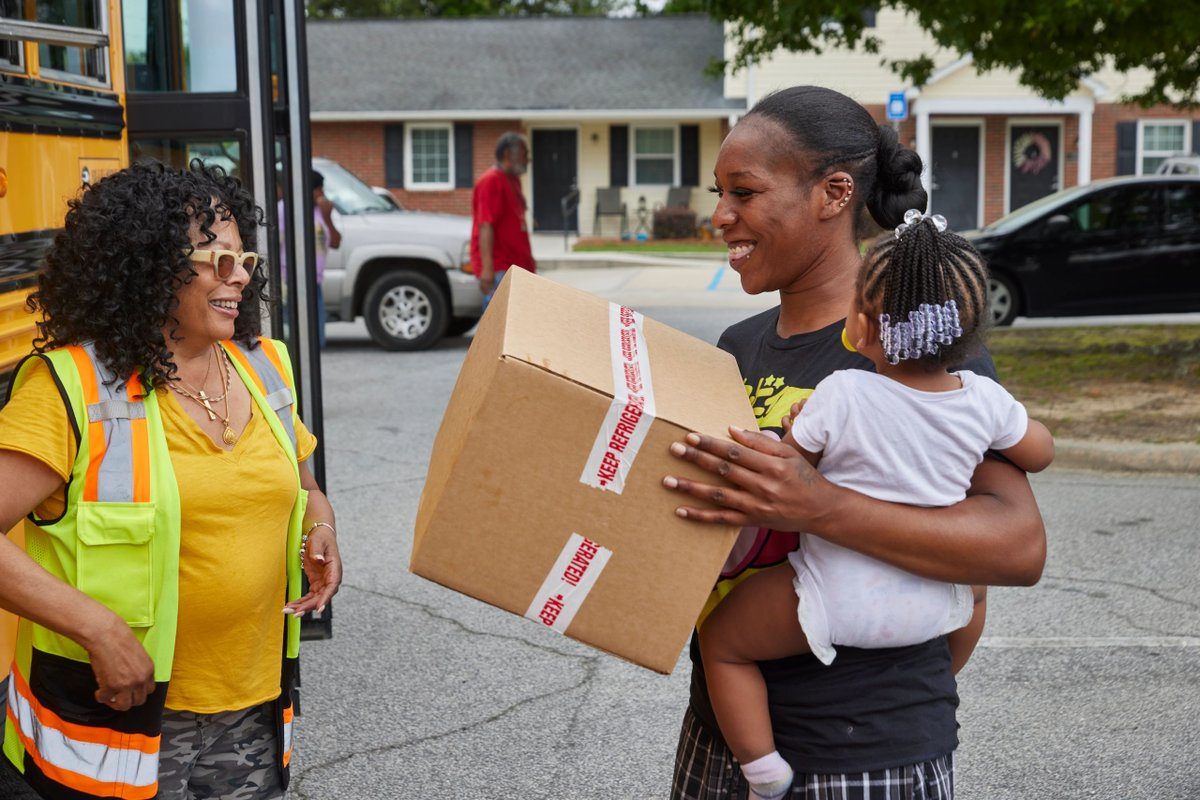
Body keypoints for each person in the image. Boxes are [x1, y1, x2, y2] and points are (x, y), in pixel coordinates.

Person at [660, 86, 1048, 800]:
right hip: (725, 739)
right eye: (719, 192)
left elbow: (1018, 546)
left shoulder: (915, 350)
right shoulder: (736, 347)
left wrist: (819, 505)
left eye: (743, 191)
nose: (719, 215)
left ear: (834, 193)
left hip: (866, 754)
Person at [0, 160, 341, 800]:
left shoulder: (265, 367)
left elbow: (306, 487)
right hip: (114, 725)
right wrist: (98, 630)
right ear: (150, 268)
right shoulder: (70, 387)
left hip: (252, 710)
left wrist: (321, 528)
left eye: (244, 260)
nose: (238, 275)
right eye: (215, 260)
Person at [471, 131, 536, 309]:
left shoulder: (513, 180)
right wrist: (487, 269)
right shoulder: (490, 181)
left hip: (517, 266)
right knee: (500, 328)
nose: (527, 159)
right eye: (524, 154)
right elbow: (485, 226)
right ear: (508, 154)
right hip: (500, 268)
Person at [312, 169, 341, 348]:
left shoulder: (321, 213)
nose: (322, 194)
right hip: (287, 283)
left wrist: (327, 218)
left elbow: (336, 243)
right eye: (319, 189)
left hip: (315, 281)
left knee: (318, 340)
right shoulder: (283, 209)